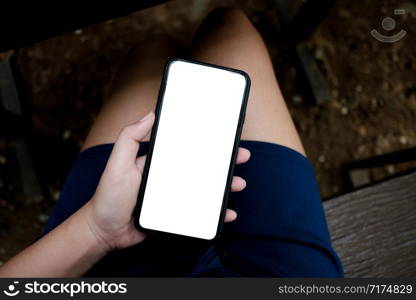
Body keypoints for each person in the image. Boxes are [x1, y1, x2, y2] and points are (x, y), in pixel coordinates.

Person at [0, 7, 343, 277]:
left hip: (113, 268)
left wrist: (97, 229)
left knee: (158, 50)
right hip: (279, 275)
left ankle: (163, 46)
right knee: (228, 27)